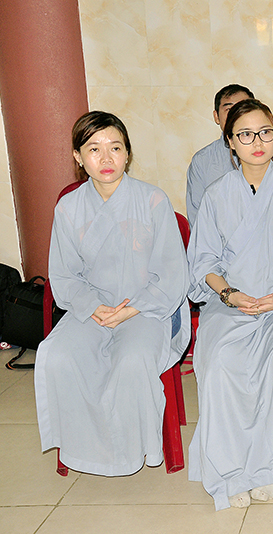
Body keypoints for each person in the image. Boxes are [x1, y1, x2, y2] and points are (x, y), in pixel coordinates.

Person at [35, 111, 190, 476]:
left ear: (127, 153)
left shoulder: (152, 200)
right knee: (57, 355)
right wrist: (94, 307)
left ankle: (131, 450)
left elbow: (172, 273)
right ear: (78, 156)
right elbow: (64, 276)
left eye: (115, 148)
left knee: (133, 360)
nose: (106, 158)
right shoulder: (69, 208)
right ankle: (83, 449)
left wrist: (131, 309)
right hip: (90, 308)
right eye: (94, 149)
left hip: (148, 308)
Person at [187, 99, 273, 510]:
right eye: (245, 134)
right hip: (232, 304)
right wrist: (229, 293)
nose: (257, 142)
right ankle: (231, 468)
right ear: (230, 142)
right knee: (223, 362)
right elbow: (204, 261)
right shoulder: (216, 195)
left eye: (265, 132)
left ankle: (271, 465)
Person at [185, 84, 273, 226]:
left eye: (243, 108)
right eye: (229, 109)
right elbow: (198, 221)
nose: (237, 114)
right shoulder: (202, 161)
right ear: (216, 116)